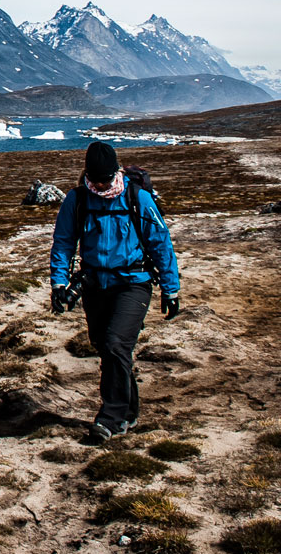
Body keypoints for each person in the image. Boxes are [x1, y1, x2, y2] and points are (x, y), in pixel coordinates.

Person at [49, 140, 182, 443]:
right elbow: (64, 242)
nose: (100, 185)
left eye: (105, 180)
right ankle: (130, 409)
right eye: (94, 180)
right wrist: (59, 282)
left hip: (134, 283)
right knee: (105, 346)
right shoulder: (78, 200)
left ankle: (111, 418)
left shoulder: (139, 199)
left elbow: (161, 245)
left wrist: (171, 290)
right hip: (94, 284)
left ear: (116, 172)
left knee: (115, 344)